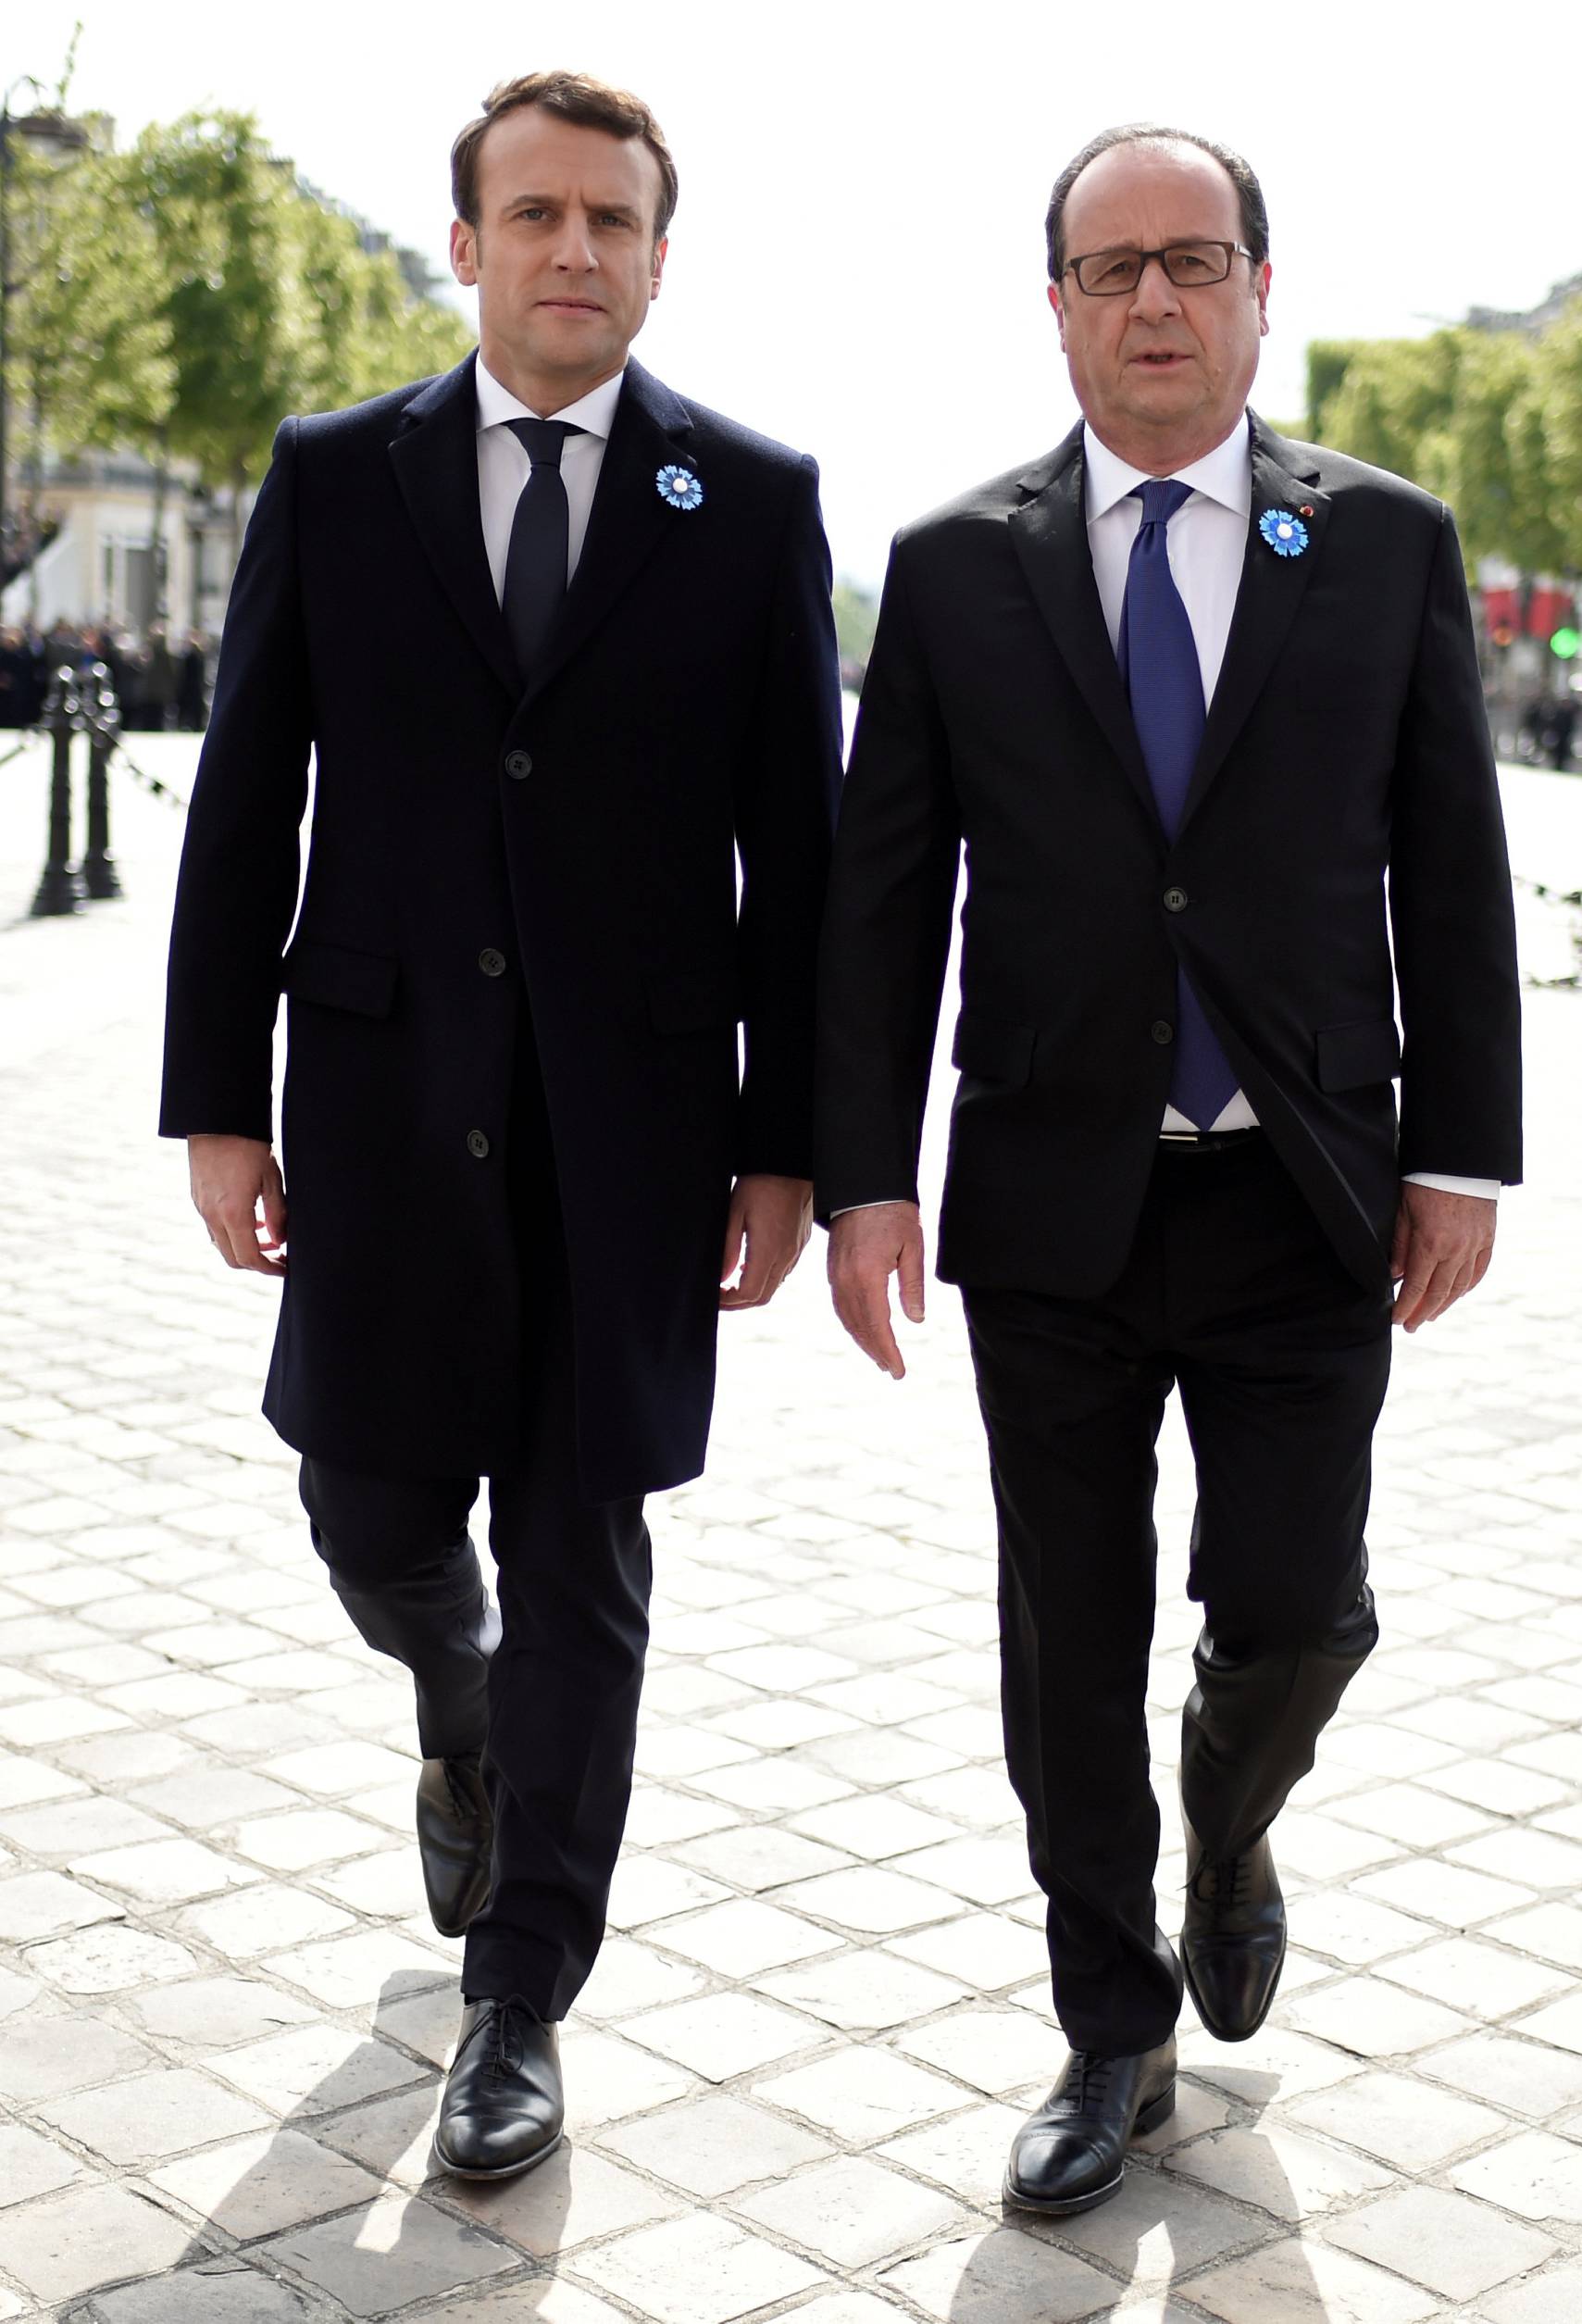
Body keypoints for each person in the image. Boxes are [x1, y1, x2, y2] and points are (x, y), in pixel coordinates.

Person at [816, 123, 1521, 2218]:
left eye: (1192, 262)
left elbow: (1451, 869)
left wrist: (1465, 1149)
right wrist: (865, 1179)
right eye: (1111, 269)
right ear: (1057, 304)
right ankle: (1108, 2027)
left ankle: (1232, 1813)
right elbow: (881, 901)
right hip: (1050, 1197)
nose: (1153, 301)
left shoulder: (1384, 542)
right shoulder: (957, 566)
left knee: (1297, 1609)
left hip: (1307, 1183)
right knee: (1066, 1629)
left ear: (1256, 288)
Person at [161, 69, 840, 2183]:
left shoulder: (749, 497)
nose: (573, 251)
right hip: (373, 1116)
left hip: (633, 1145)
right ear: (466, 246)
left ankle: (520, 1997)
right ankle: (451, 1693)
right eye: (534, 216)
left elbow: (800, 858)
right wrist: (215, 1102)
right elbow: (245, 795)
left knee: (587, 1567)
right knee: (375, 1525)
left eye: (611, 221)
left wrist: (792, 1143)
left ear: (655, 249)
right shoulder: (333, 477)